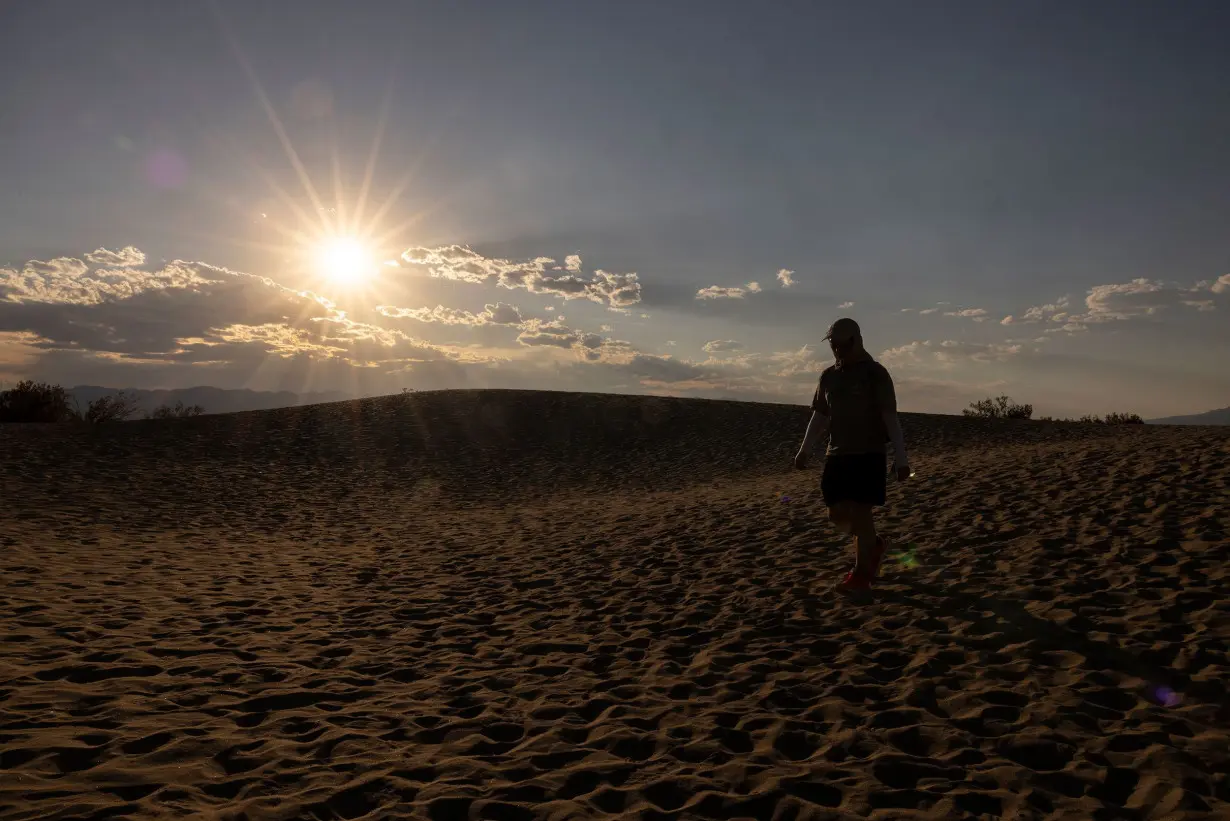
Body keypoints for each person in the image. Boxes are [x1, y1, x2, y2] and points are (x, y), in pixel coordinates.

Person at [794, 317, 910, 592]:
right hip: (837, 454)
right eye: (833, 345)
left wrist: (901, 458)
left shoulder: (875, 374)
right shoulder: (829, 376)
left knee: (861, 513)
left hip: (868, 453)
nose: (836, 351)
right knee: (836, 514)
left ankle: (861, 574)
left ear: (855, 341)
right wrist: (805, 449)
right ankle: (874, 545)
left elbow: (890, 418)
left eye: (841, 345)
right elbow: (820, 415)